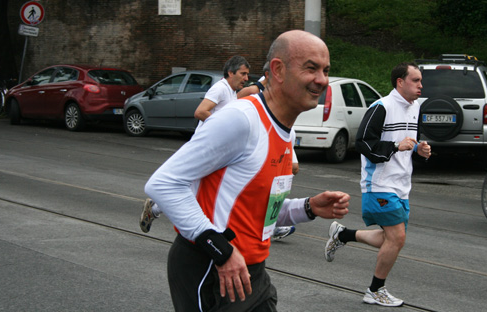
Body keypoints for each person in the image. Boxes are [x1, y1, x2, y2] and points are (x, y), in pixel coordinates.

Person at [144, 29, 350, 311]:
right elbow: (164, 183)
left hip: (251, 272)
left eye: (326, 70)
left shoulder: (285, 129)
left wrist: (309, 207)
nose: (322, 80)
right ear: (278, 70)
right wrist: (221, 251)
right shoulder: (240, 119)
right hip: (210, 268)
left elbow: (260, 210)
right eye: (311, 69)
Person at [324, 62, 431, 307]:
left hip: (402, 184)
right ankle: (375, 290)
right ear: (400, 82)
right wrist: (395, 147)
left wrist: (420, 150)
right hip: (380, 183)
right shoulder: (381, 107)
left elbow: (409, 142)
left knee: (391, 238)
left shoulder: (415, 108)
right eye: (416, 80)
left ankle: (343, 235)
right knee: (396, 237)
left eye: (420, 80)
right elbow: (363, 143)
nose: (420, 85)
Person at [139, 55, 250, 233]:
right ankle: (158, 210)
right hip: (204, 147)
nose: (246, 78)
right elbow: (200, 112)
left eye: (247, 74)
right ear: (230, 72)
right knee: (190, 189)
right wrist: (222, 125)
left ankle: (157, 209)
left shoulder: (231, 91)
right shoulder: (220, 88)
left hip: (217, 149)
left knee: (202, 189)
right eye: (243, 74)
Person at [238, 68, 298, 241]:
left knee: (277, 188)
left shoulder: (283, 106)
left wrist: (311, 208)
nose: (246, 78)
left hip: (280, 147)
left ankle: (272, 225)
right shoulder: (253, 94)